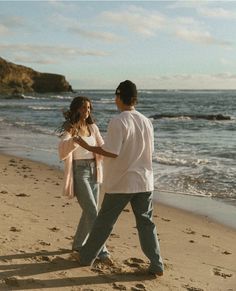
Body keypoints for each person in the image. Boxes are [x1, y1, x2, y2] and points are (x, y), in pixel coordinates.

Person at [73, 80, 164, 276]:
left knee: (104, 223)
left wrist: (87, 146)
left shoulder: (119, 120)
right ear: (135, 99)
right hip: (145, 181)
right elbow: (150, 151)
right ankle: (157, 264)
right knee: (146, 224)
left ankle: (85, 257)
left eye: (116, 96)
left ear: (118, 97)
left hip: (122, 182)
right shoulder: (147, 121)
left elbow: (112, 151)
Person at [58, 96, 109, 261]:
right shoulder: (70, 128)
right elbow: (61, 150)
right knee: (93, 212)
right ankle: (102, 251)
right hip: (80, 172)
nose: (86, 111)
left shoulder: (93, 127)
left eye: (88, 108)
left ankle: (78, 245)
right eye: (82, 108)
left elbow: (102, 147)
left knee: (89, 212)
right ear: (75, 109)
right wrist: (74, 140)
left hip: (95, 171)